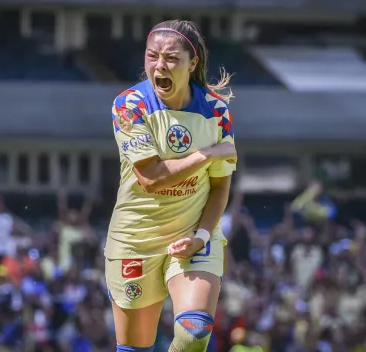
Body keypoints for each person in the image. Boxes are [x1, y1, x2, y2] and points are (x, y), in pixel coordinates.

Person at [105, 19, 238, 352]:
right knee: (135, 348)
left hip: (194, 234)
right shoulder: (129, 106)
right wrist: (206, 154)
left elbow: (221, 187)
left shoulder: (217, 112)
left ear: (193, 64)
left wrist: (202, 237)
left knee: (194, 333)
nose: (159, 66)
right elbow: (150, 178)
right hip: (137, 238)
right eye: (152, 57)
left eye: (170, 58)